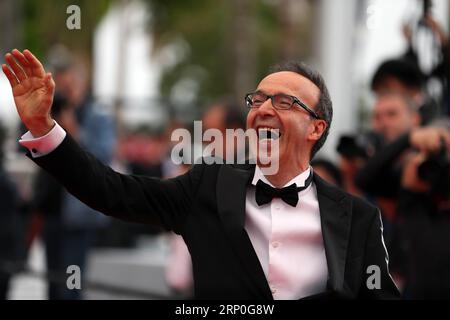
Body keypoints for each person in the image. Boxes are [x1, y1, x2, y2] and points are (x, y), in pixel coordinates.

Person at [2, 49, 399, 299]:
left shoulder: (358, 219)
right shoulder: (208, 186)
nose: (262, 109)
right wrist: (44, 128)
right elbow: (112, 191)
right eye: (257, 99)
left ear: (316, 128)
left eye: (283, 102)